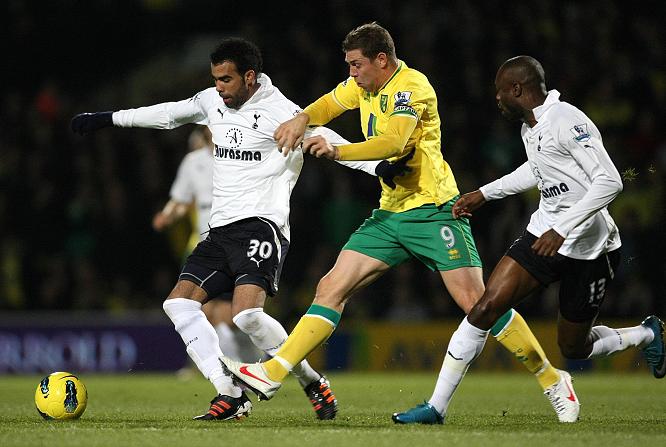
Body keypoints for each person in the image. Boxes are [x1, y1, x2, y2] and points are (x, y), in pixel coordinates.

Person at [219, 23, 580, 424]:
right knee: (331, 287)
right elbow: (329, 104)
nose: (351, 73)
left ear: (381, 60)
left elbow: (393, 143)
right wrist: (302, 118)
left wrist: (337, 151)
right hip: (390, 214)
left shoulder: (413, 87)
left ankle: (552, 378)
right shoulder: (363, 86)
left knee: (480, 305)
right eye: (348, 66)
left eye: (356, 65)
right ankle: (273, 372)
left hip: (433, 210)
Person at [71, 37, 384, 421]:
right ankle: (229, 392)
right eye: (215, 79)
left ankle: (310, 380)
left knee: (246, 317)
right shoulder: (211, 101)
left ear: (249, 77)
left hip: (262, 225)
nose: (219, 87)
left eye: (226, 80)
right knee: (178, 304)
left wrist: (380, 168)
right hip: (218, 231)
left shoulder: (280, 112)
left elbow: (330, 140)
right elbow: (169, 113)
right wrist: (109, 118)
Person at [426, 55, 665, 421]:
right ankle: (435, 408)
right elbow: (537, 170)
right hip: (541, 235)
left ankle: (647, 334)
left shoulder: (566, 120)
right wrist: (485, 193)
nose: (497, 98)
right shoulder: (530, 127)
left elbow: (610, 180)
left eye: (500, 91)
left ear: (517, 89)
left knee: (574, 347)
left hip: (589, 249)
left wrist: (564, 227)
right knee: (486, 306)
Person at [152, 127, 262, 367]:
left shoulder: (240, 156)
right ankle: (225, 364)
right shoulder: (193, 162)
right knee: (203, 310)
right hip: (202, 243)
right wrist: (168, 216)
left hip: (236, 240)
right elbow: (182, 200)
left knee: (231, 314)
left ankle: (243, 358)